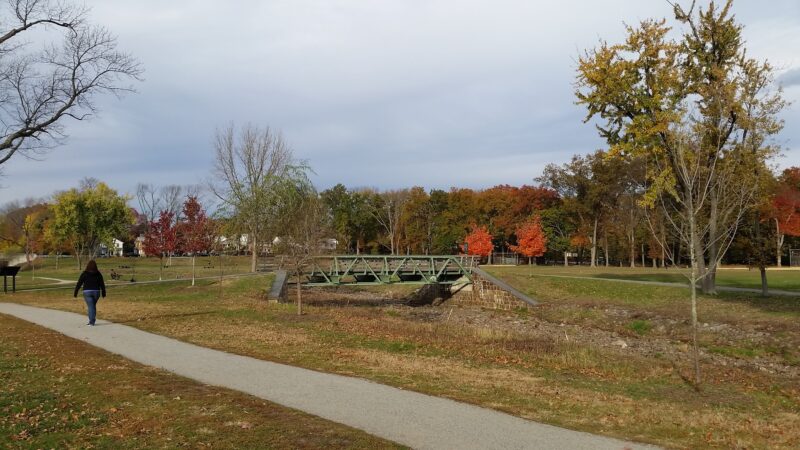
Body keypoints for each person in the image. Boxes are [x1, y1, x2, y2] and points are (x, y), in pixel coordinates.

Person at [74, 260, 106, 326]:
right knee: (92, 306)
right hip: (96, 292)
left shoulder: (84, 273)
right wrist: (103, 292)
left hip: (87, 292)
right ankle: (91, 321)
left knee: (91, 307)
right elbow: (102, 284)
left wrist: (76, 292)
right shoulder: (98, 274)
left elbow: (79, 283)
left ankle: (91, 322)